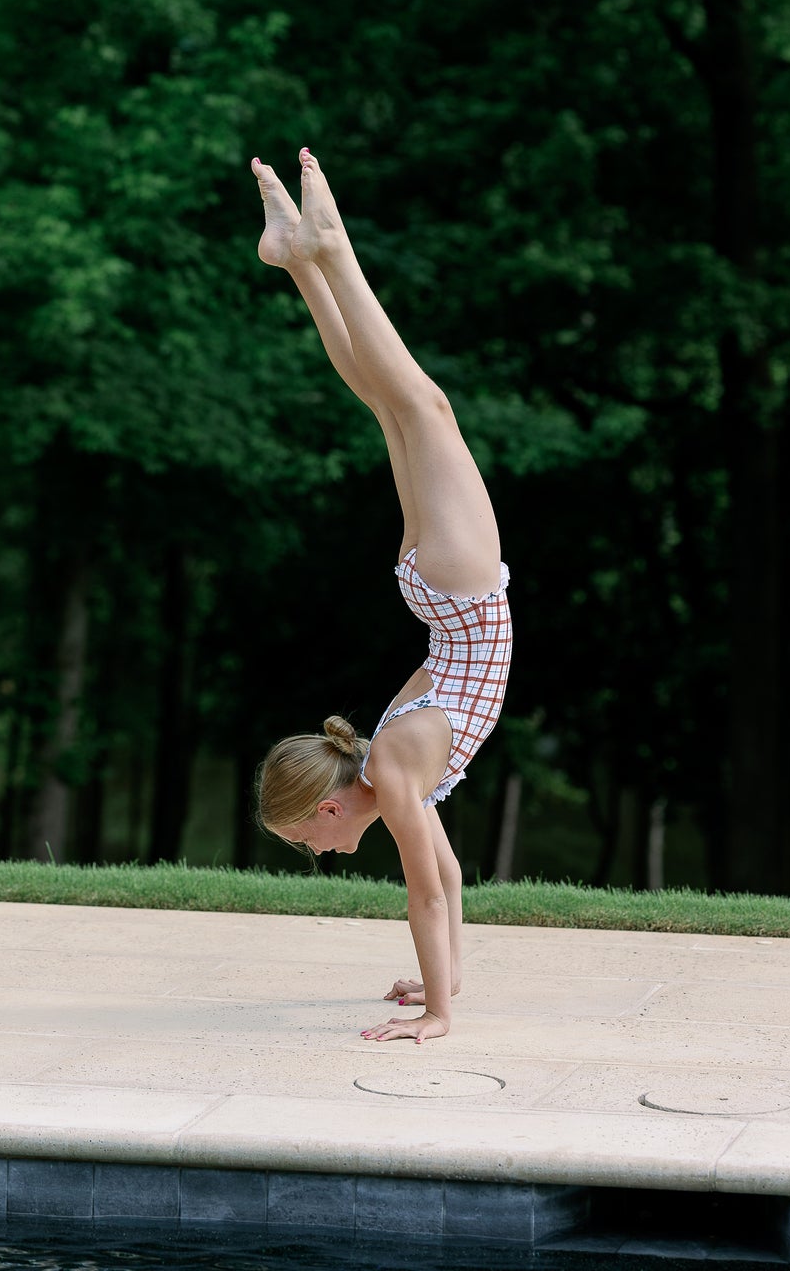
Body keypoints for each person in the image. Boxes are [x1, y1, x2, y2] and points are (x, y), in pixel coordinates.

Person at [251, 147, 512, 1045]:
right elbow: (451, 880)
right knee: (391, 405)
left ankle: (329, 247)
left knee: (420, 404)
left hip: (464, 596)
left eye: (305, 844)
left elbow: (427, 888)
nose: (317, 857)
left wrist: (438, 1017)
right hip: (438, 596)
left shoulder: (393, 771)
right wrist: (450, 980)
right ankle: (302, 260)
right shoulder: (387, 765)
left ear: (327, 810)